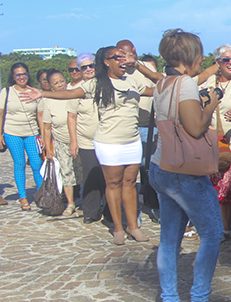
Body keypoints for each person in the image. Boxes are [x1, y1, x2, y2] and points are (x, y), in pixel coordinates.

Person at [22, 46, 154, 245]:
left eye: (123, 57)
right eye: (117, 57)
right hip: (109, 142)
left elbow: (159, 87)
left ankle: (132, 226)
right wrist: (42, 94)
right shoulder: (96, 83)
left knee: (129, 184)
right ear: (106, 61)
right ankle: (118, 227)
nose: (122, 60)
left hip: (132, 141)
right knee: (113, 184)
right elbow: (71, 94)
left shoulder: (133, 81)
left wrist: (139, 65)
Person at [147, 29, 230, 302]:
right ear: (187, 57)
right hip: (185, 172)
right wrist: (213, 102)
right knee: (212, 234)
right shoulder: (184, 84)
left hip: (161, 167)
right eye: (200, 53)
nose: (203, 58)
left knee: (169, 240)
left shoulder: (163, 83)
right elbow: (195, 128)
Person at [202, 44, 231, 240]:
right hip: (212, 143)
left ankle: (227, 227)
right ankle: (220, 227)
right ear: (217, 62)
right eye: (226, 60)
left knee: (228, 187)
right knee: (215, 187)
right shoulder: (208, 82)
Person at [0, 62, 43, 211]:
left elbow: (40, 115)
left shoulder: (35, 92)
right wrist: (0, 134)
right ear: (13, 76)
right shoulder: (6, 92)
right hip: (12, 132)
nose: (21, 77)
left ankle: (41, 194)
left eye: (24, 73)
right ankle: (23, 197)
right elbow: (0, 114)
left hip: (32, 133)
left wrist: (42, 135)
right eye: (18, 74)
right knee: (19, 164)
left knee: (37, 163)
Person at [67, 53, 104, 224]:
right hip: (85, 140)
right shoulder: (77, 90)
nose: (88, 69)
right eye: (84, 67)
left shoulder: (105, 85)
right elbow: (71, 117)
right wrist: (73, 141)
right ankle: (91, 210)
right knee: (90, 176)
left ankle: (108, 209)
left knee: (106, 176)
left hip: (105, 139)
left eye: (91, 65)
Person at [42, 69, 77, 215]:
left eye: (62, 80)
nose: (60, 84)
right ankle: (70, 203)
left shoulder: (74, 94)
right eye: (56, 83)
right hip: (61, 141)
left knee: (82, 171)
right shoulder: (49, 102)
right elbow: (46, 128)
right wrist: (48, 150)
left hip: (79, 139)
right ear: (50, 86)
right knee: (66, 172)